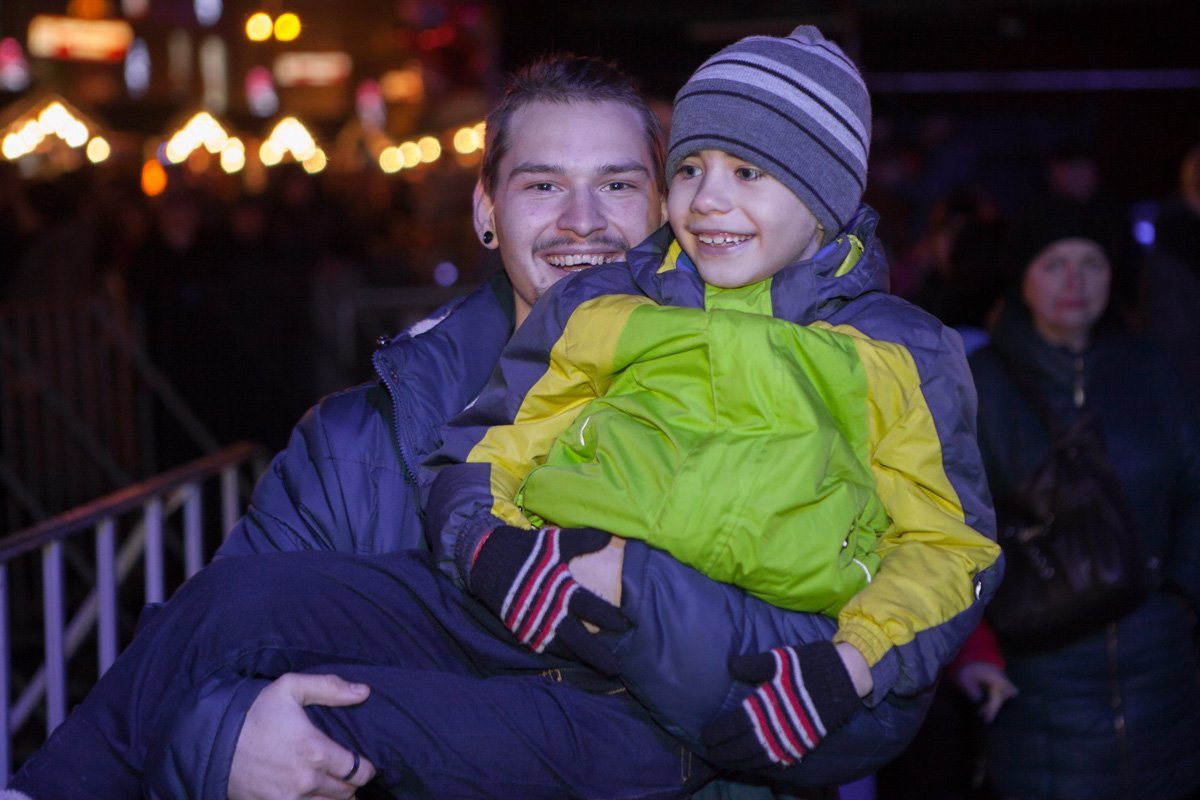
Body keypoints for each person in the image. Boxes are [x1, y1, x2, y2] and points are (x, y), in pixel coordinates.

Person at [3, 41, 995, 800]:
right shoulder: (356, 442)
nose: (582, 221)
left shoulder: (862, 355)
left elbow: (919, 588)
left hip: (636, 722)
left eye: (618, 184)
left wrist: (674, 602)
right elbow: (227, 644)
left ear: (654, 211)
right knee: (239, 621)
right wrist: (223, 742)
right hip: (491, 646)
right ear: (484, 209)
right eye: (542, 185)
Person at [424, 25, 1001, 772]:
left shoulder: (897, 350)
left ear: (822, 198)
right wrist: (488, 544)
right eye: (690, 169)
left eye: (749, 172)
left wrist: (853, 660)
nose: (707, 201)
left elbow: (950, 543)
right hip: (550, 636)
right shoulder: (613, 306)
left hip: (750, 667)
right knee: (300, 627)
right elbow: (492, 445)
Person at [962, 204, 1200, 800]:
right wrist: (974, 646)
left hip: (1159, 671)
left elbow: (1195, 487)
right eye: (1055, 265)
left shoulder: (1151, 370)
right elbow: (948, 525)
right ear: (1023, 278)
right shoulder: (979, 384)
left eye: (1092, 263)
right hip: (1037, 677)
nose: (1076, 282)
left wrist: (1181, 594)